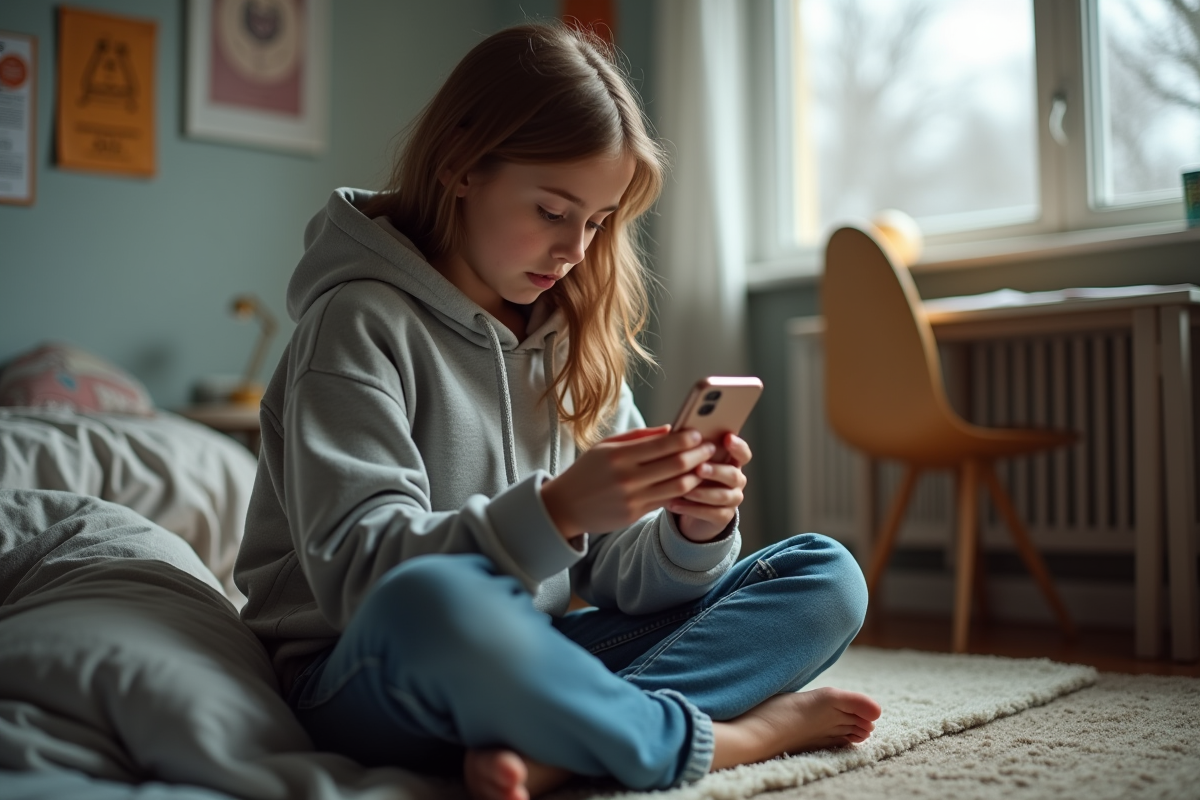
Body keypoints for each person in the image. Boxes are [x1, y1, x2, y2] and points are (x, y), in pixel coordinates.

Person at [233, 21, 881, 800]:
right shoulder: (356, 325)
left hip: (527, 657)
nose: (576, 248)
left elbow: (614, 576)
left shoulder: (568, 334)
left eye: (599, 222)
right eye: (552, 210)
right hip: (363, 673)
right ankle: (716, 740)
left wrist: (689, 531)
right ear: (462, 167)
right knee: (436, 601)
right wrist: (558, 508)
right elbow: (362, 581)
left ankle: (562, 746)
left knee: (824, 574)